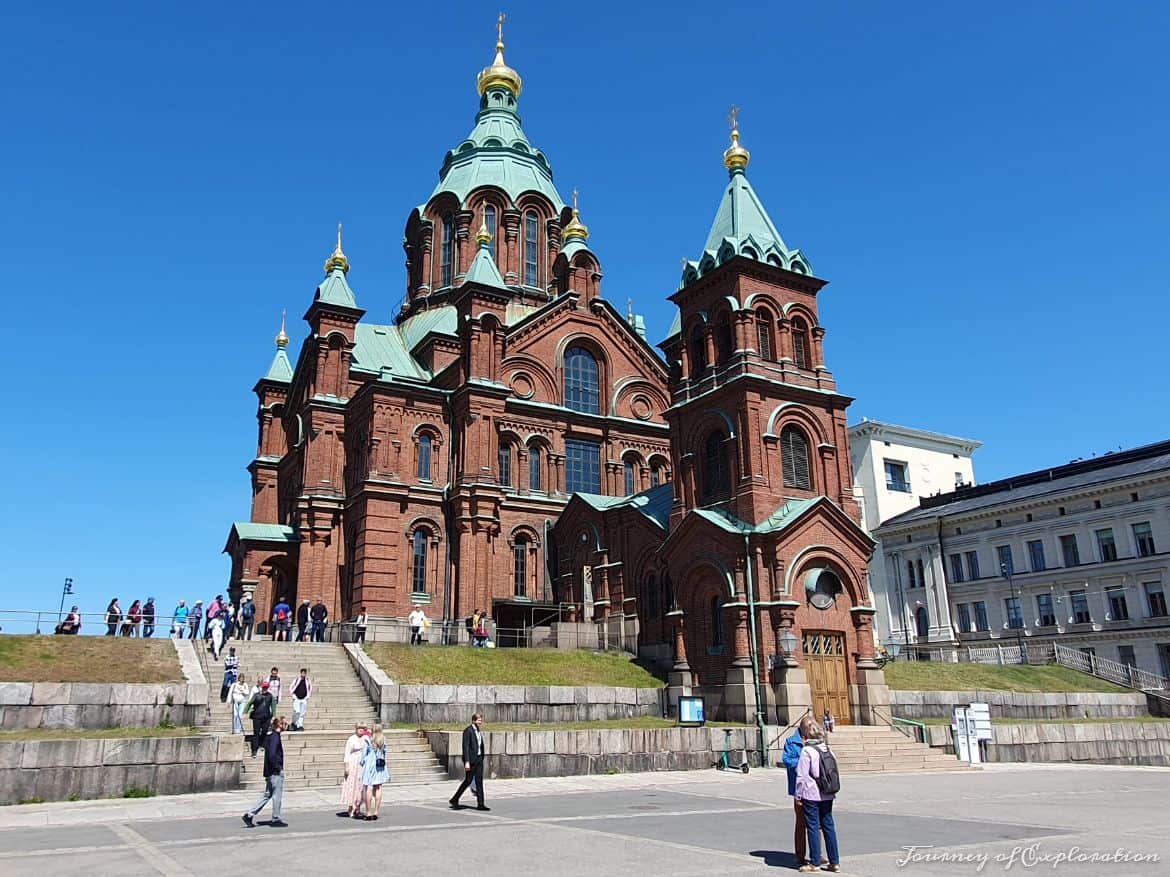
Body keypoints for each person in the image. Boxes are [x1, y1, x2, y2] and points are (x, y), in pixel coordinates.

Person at [795, 719, 841, 874]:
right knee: (828, 826)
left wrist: (798, 795)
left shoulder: (807, 751)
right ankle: (834, 862)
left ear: (808, 734)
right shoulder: (828, 750)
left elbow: (801, 776)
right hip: (828, 794)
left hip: (811, 794)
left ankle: (815, 862)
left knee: (813, 827)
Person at [243, 715, 288, 828]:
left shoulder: (272, 736)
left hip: (269, 771)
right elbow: (272, 754)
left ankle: (249, 815)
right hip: (274, 772)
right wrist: (277, 767)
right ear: (280, 725)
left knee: (267, 795)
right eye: (285, 723)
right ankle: (276, 818)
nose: (287, 726)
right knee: (276, 795)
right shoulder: (275, 737)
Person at [782, 721, 810, 869]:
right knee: (800, 823)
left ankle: (815, 855)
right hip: (799, 789)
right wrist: (803, 761)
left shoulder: (815, 740)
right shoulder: (791, 742)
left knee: (815, 825)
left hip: (814, 789)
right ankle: (800, 855)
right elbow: (786, 760)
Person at [449, 713, 489, 811]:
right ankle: (455, 799)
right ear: (474, 720)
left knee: (479, 781)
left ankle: (481, 804)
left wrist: (482, 756)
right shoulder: (468, 731)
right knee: (468, 780)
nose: (480, 722)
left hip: (479, 759)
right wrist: (467, 761)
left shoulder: (478, 731)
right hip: (471, 760)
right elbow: (465, 747)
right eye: (479, 720)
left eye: (481, 720)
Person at [360, 722, 390, 820]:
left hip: (370, 765)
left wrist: (362, 762)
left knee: (369, 788)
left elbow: (364, 754)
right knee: (378, 787)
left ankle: (369, 812)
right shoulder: (383, 740)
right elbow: (386, 753)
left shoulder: (368, 740)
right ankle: (376, 811)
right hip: (380, 765)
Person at [341, 723, 368, 819]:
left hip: (363, 764)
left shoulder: (366, 738)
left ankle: (358, 807)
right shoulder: (351, 739)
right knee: (352, 786)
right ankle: (351, 807)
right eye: (359, 728)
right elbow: (347, 754)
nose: (361, 730)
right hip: (353, 763)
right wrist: (346, 767)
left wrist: (367, 731)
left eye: (362, 728)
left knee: (360, 787)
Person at [248, 680, 274, 757]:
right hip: (257, 717)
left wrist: (274, 715)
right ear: (261, 687)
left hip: (266, 717)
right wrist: (245, 711)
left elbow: (273, 706)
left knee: (265, 731)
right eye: (264, 687)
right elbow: (250, 703)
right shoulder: (256, 695)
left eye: (266, 687)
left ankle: (262, 744)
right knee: (256, 733)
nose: (265, 689)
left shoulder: (270, 696)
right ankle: (254, 750)